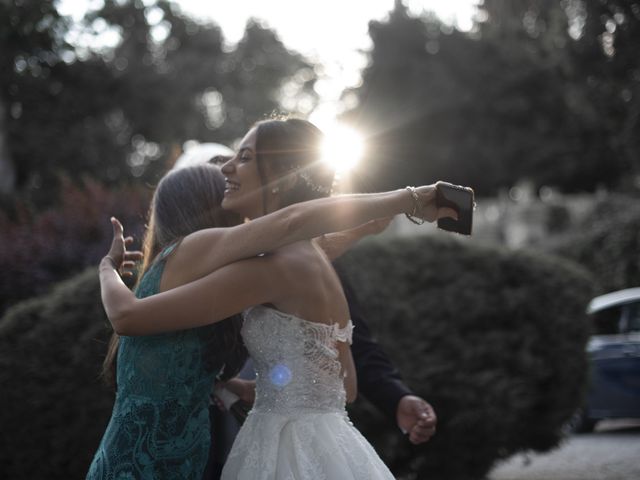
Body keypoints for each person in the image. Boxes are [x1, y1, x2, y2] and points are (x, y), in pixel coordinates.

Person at [92, 153, 456, 478]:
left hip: (174, 458)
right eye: (222, 188)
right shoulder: (194, 248)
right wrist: (407, 200)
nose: (233, 193)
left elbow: (298, 260)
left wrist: (225, 385)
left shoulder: (185, 268)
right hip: (143, 464)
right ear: (207, 206)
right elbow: (291, 227)